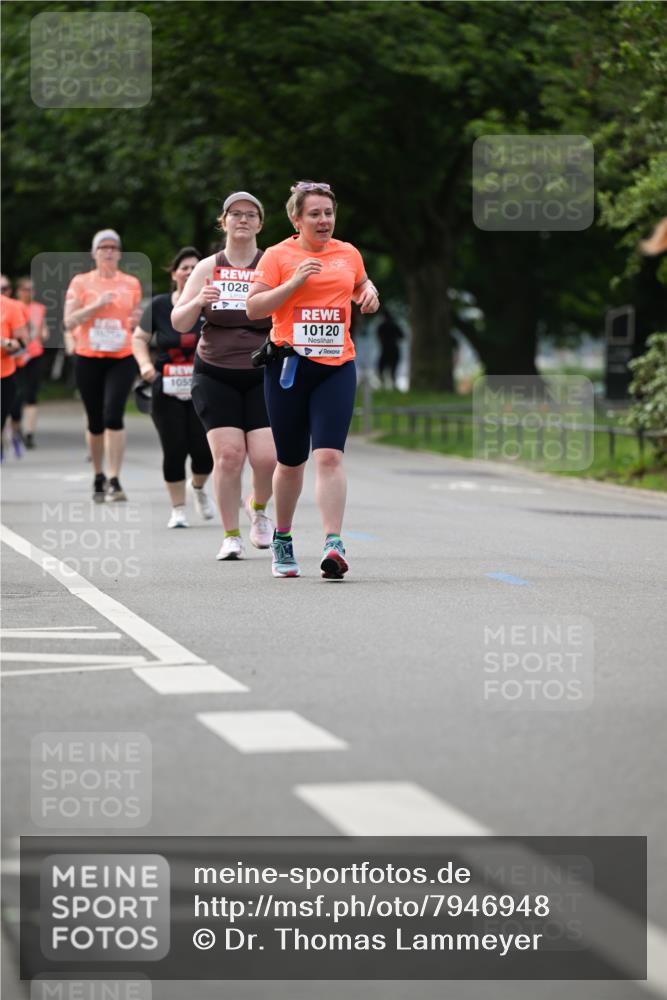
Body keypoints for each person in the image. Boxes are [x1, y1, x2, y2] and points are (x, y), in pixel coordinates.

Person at [246, 180, 380, 579]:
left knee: (329, 455)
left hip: (336, 366)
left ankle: (333, 543)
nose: (324, 221)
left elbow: (360, 283)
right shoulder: (277, 256)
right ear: (296, 219)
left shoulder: (348, 253)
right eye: (315, 214)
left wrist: (369, 292)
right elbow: (254, 308)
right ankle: (283, 538)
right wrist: (293, 284)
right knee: (291, 461)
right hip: (289, 368)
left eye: (329, 213)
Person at [172, 192, 276, 560]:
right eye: (235, 214)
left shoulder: (273, 263)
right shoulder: (207, 267)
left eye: (251, 214)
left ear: (260, 224)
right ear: (224, 222)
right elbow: (178, 321)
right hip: (215, 372)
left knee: (266, 458)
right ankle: (231, 535)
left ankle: (258, 508)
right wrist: (198, 301)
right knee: (230, 456)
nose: (243, 219)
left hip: (263, 371)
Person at [132, 247, 215, 528]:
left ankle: (198, 487)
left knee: (204, 452)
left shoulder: (212, 302)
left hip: (204, 385)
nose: (190, 272)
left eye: (195, 267)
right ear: (174, 273)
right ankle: (178, 509)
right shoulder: (159, 305)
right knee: (174, 448)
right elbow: (138, 338)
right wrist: (145, 366)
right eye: (184, 268)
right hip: (166, 387)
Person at [64, 229, 141, 502]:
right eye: (103, 247)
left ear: (119, 253)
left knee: (113, 415)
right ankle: (98, 474)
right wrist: (96, 305)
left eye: (113, 247)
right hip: (88, 357)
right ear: (94, 253)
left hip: (122, 356)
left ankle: (115, 478)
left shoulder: (131, 283)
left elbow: (134, 318)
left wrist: (136, 320)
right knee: (95, 421)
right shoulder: (81, 282)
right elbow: (69, 321)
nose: (108, 252)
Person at [10, 276, 49, 449]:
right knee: (16, 396)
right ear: (19, 291)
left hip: (34, 355)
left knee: (31, 394)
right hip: (16, 357)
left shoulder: (39, 308)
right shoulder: (12, 306)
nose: (29, 293)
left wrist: (44, 334)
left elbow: (43, 329)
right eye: (26, 289)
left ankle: (29, 434)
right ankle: (16, 427)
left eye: (32, 289)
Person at [1, 288, 29, 459]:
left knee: (12, 410)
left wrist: (7, 344)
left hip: (4, 372)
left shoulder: (11, 307)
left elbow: (23, 343)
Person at [376, 307, 403, 389]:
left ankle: (383, 384)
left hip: (385, 349)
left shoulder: (381, 326)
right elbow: (402, 336)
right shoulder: (395, 325)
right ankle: (393, 385)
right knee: (393, 369)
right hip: (394, 349)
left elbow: (378, 336)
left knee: (381, 368)